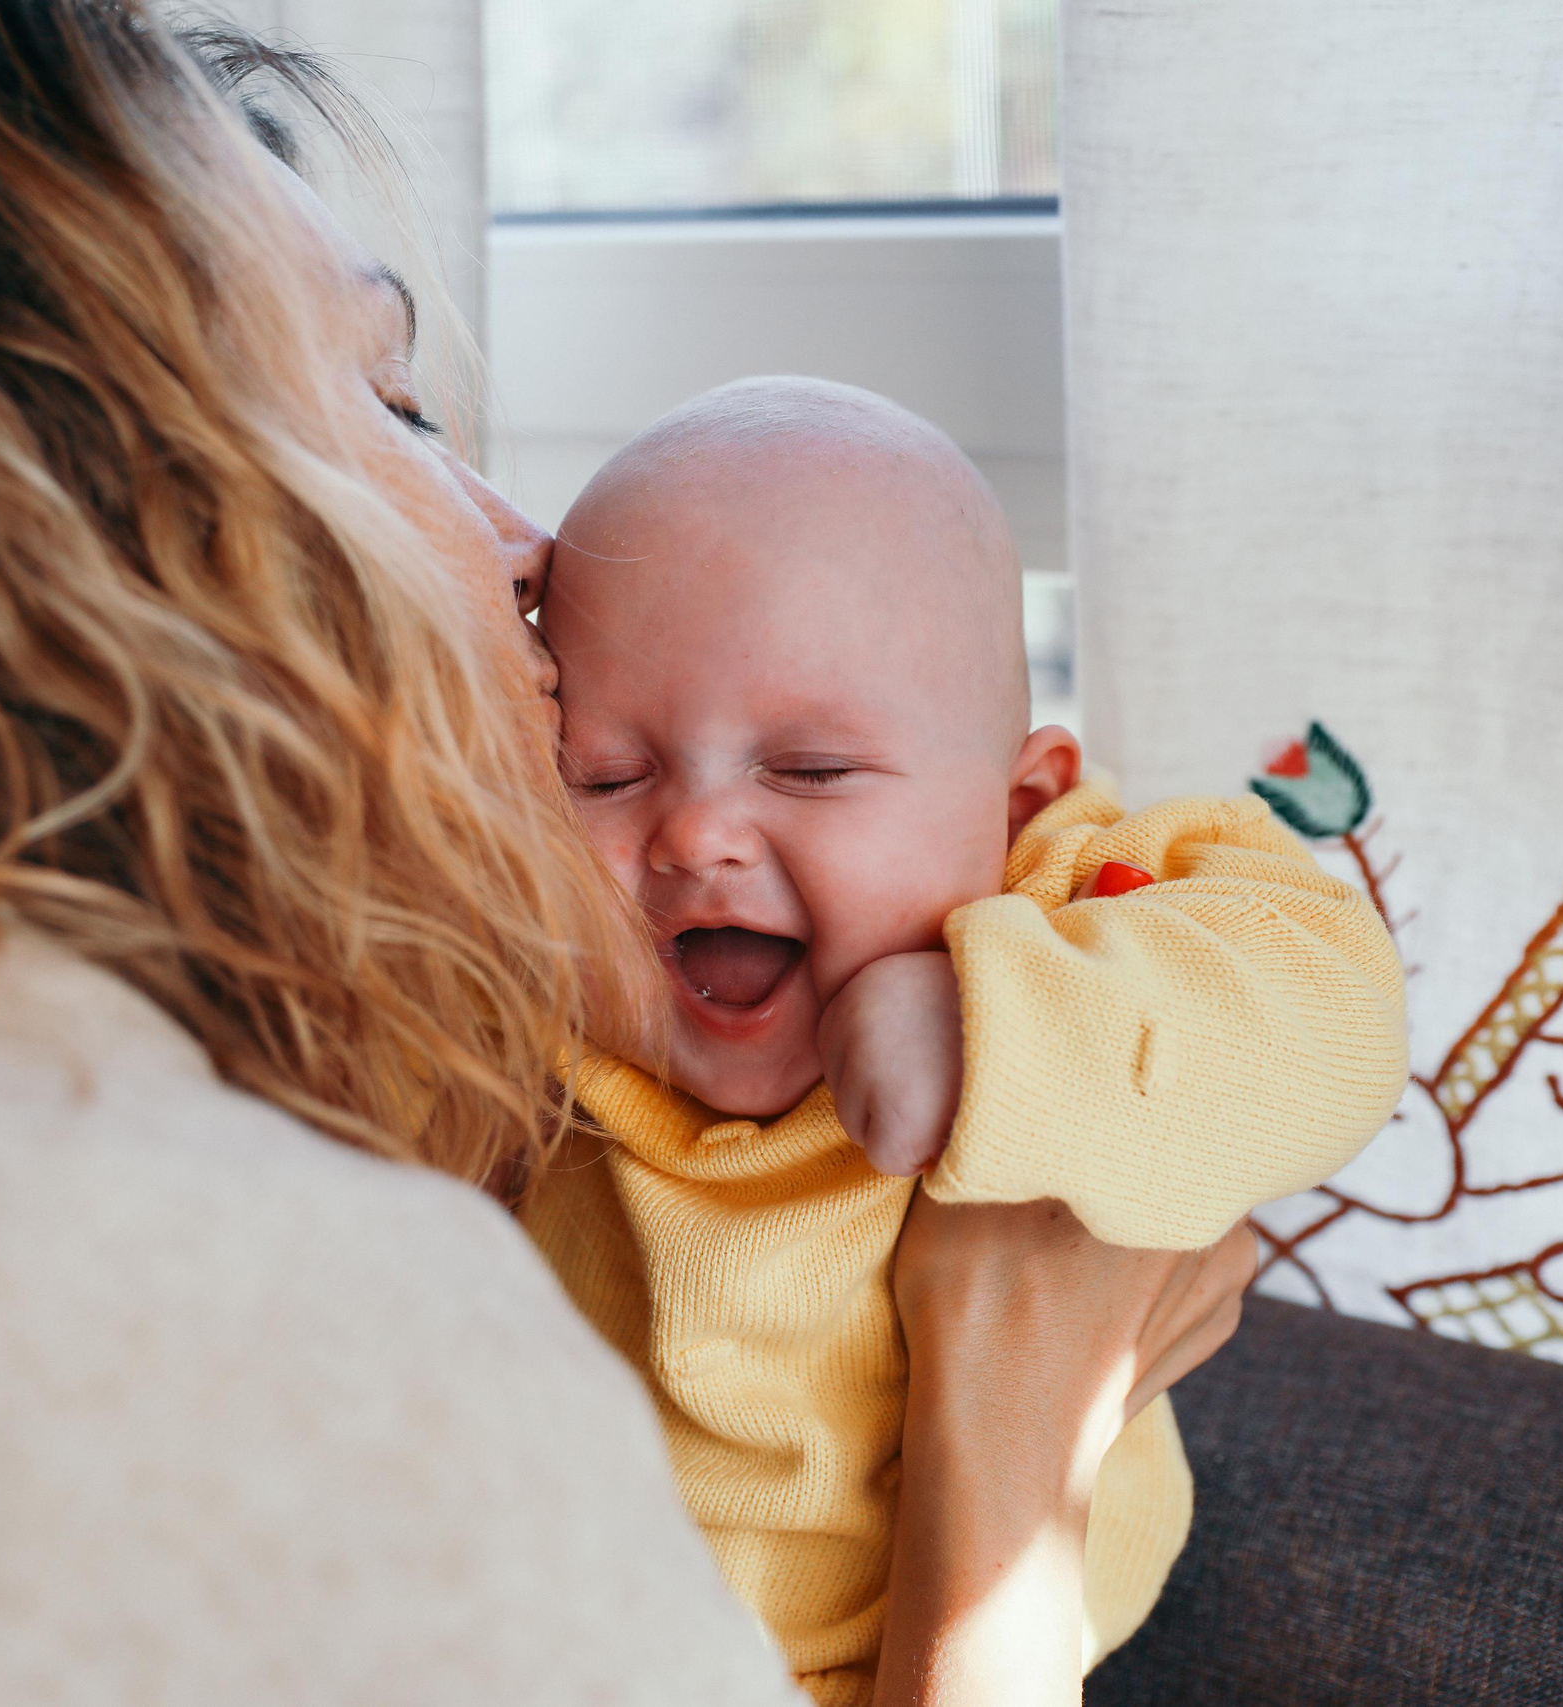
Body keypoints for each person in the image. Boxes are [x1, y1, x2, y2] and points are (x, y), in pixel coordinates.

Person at [0, 5, 1254, 1704]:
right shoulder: (283, 1331)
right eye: (387, 403)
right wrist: (1013, 1428)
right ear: (62, 522)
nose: (523, 544)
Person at [523, 377, 1407, 1704]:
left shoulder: (1073, 898)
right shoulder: (540, 985)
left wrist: (1004, 1027)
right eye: (605, 777)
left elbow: (1335, 1012)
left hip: (947, 1626)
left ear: (1018, 801)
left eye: (810, 770)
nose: (696, 833)